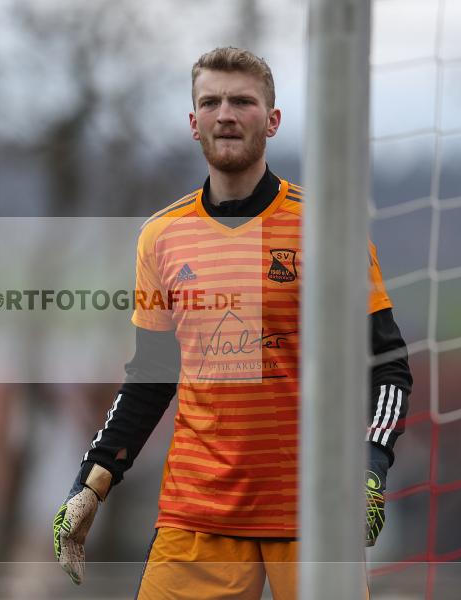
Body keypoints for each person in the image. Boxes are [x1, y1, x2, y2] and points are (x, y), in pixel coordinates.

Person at [52, 47, 412, 600]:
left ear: (272, 120)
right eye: (211, 101)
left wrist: (372, 465)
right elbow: (150, 378)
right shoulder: (161, 236)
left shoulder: (326, 226)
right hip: (198, 512)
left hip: (311, 509)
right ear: (193, 122)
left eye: (242, 101)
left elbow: (387, 365)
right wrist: (90, 484)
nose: (226, 113)